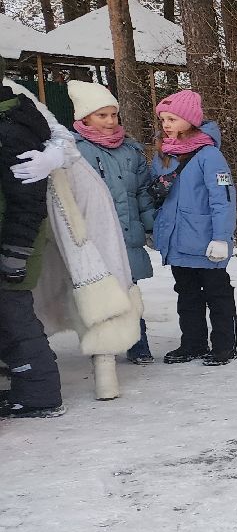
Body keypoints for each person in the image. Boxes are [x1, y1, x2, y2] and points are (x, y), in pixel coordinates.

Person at [70, 81, 156, 363]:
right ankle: (102, 346)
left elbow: (142, 191)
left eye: (113, 115)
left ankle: (137, 342)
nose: (109, 121)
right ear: (84, 118)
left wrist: (151, 226)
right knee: (98, 292)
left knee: (129, 290)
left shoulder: (131, 150)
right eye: (101, 115)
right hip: (94, 236)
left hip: (127, 233)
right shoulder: (74, 151)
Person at [149, 90, 237, 366]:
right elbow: (157, 197)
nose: (167, 124)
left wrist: (221, 237)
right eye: (164, 119)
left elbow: (222, 198)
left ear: (191, 120)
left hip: (206, 241)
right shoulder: (164, 155)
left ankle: (223, 345)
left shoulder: (209, 155)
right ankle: (193, 343)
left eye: (173, 118)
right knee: (186, 294)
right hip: (178, 241)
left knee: (216, 294)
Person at [0, 81, 63, 417]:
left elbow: (27, 200)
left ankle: (40, 394)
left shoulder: (11, 129)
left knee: (13, 320)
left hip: (13, 245)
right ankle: (28, 386)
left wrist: (15, 252)